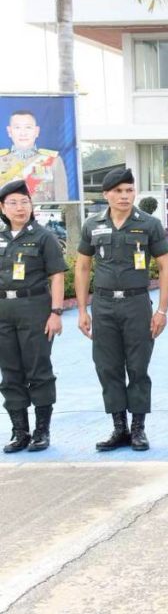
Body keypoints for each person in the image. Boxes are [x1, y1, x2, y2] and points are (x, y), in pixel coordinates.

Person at [76, 168, 168, 452]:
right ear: (106, 194)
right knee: (108, 367)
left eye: (129, 190)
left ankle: (138, 429)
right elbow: (82, 267)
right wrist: (82, 310)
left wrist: (162, 311)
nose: (124, 196)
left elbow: (165, 267)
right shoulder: (92, 225)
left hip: (136, 304)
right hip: (103, 305)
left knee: (138, 367)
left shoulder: (149, 224)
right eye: (118, 191)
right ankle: (119, 428)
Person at [0, 179, 66, 453]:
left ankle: (41, 431)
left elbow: (57, 275)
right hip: (3, 312)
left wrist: (56, 312)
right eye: (13, 203)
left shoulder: (43, 237)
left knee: (38, 369)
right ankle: (20, 431)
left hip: (34, 309)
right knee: (10, 372)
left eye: (24, 202)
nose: (20, 208)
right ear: (2, 208)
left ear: (31, 206)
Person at [0, 110, 68, 202]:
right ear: (9, 131)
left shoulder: (53, 161)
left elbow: (63, 202)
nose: (23, 133)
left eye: (28, 127)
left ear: (36, 131)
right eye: (17, 127)